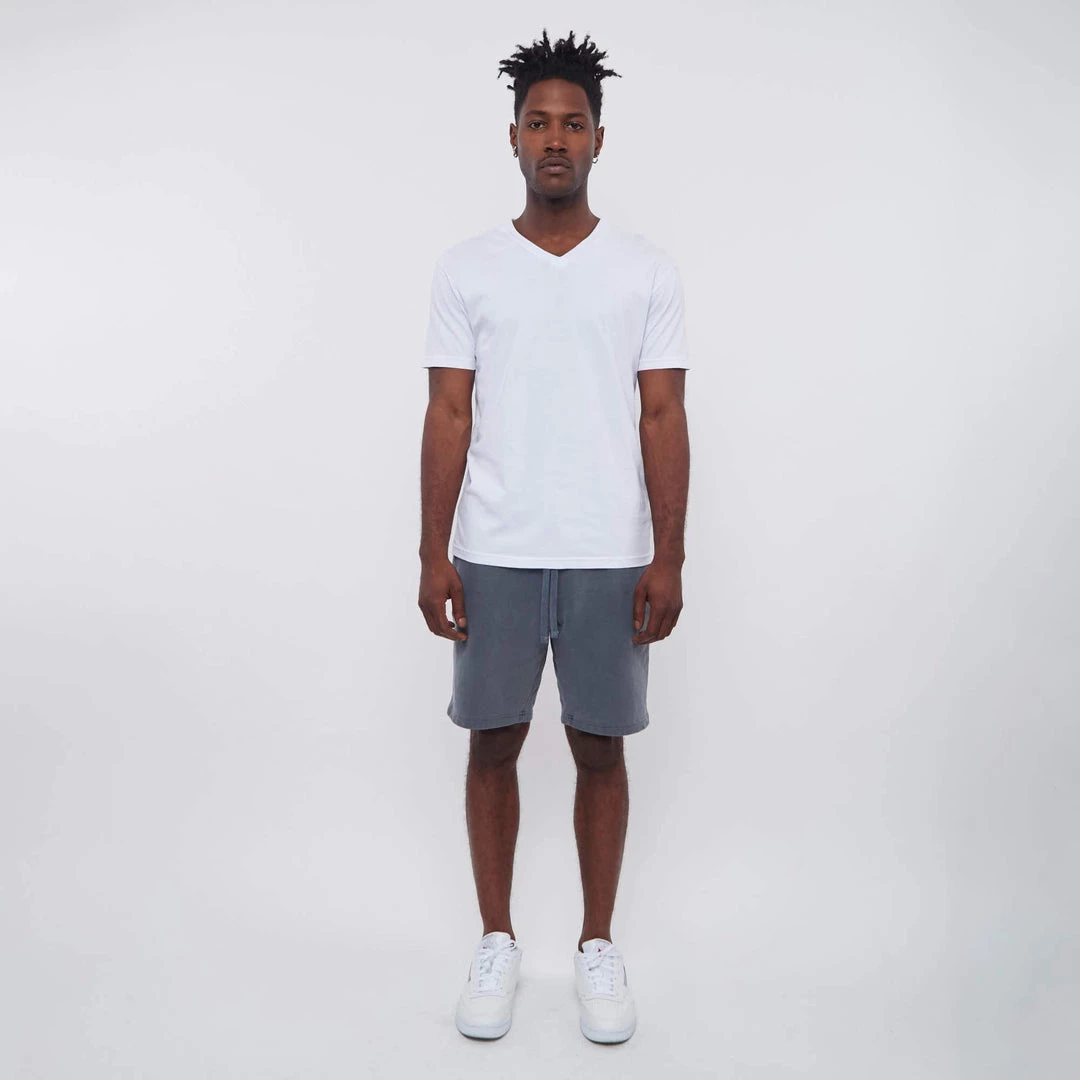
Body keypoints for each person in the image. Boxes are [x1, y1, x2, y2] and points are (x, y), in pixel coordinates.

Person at [417, 28, 691, 1045]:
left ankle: (596, 946)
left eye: (573, 123)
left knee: (599, 748)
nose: (556, 139)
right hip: (495, 546)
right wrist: (431, 552)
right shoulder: (468, 269)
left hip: (609, 550)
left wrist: (669, 556)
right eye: (538, 122)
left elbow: (662, 414)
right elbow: (449, 412)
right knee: (493, 742)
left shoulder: (645, 270)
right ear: (514, 137)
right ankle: (497, 940)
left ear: (599, 139)